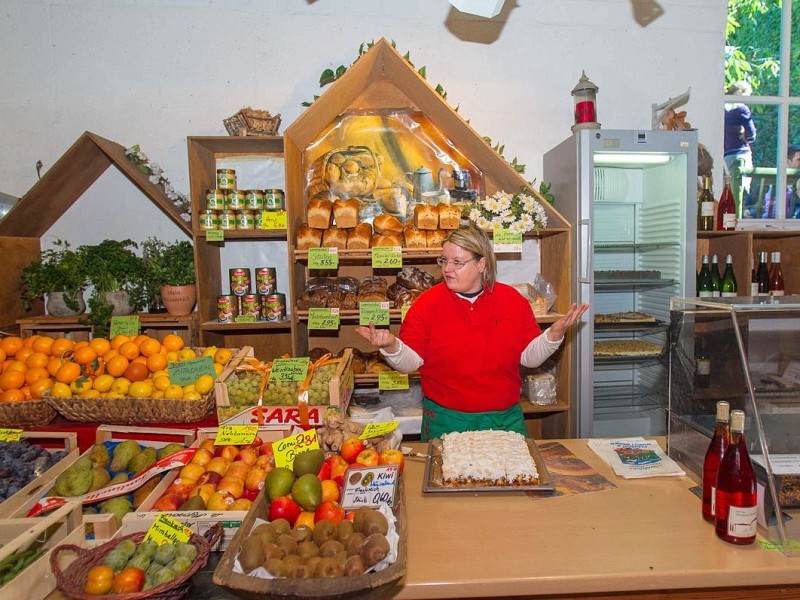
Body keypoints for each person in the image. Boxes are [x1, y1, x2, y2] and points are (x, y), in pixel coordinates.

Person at [355, 222, 587, 440]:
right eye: (444, 260)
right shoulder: (427, 303)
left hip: (503, 420)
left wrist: (553, 335)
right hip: (446, 420)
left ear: (481, 264)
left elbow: (529, 357)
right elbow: (412, 362)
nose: (447, 269)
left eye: (457, 262)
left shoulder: (512, 301)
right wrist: (391, 347)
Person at [724, 81, 757, 204]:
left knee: (727, 190)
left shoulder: (721, 109)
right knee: (742, 189)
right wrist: (745, 135)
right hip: (740, 153)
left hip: (725, 154)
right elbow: (752, 135)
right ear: (740, 92)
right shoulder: (741, 109)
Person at [761, 145, 800, 219]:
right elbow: (753, 203)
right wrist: (749, 211)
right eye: (799, 160)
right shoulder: (771, 181)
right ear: (788, 161)